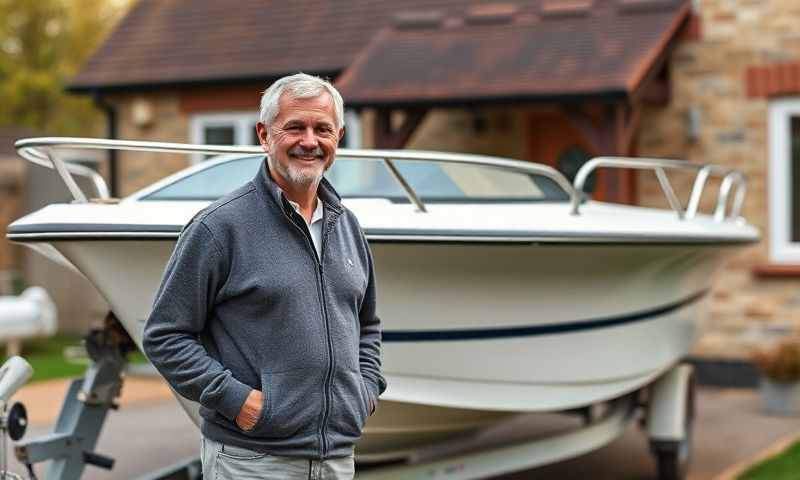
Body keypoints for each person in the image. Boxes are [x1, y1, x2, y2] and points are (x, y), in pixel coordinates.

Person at [143, 73, 385, 480]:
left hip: (337, 459)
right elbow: (165, 336)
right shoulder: (219, 228)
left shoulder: (348, 227)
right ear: (263, 134)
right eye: (294, 127)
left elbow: (368, 324)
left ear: (338, 137)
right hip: (252, 461)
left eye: (322, 129)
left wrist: (364, 393)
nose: (310, 141)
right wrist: (239, 401)